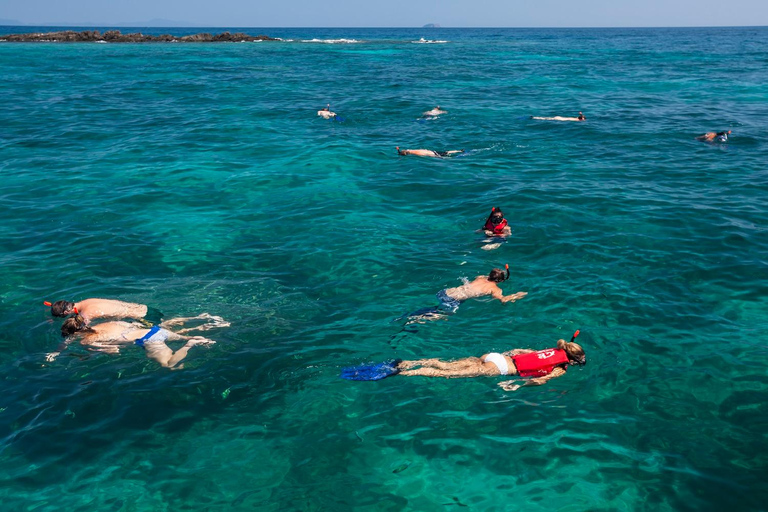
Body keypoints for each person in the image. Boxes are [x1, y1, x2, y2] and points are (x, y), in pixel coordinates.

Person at [341, 332, 586, 390]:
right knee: (444, 374)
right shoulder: (560, 367)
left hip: (496, 357)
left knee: (445, 364)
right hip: (501, 369)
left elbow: (520, 350)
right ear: (573, 359)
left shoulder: (549, 350)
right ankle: (398, 373)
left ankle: (403, 363)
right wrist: (518, 385)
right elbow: (542, 380)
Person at [48, 313, 229, 368]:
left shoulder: (86, 341)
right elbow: (132, 325)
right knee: (183, 334)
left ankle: (191, 344)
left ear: (75, 333)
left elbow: (114, 351)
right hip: (156, 330)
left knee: (170, 365)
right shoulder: (106, 324)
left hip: (150, 341)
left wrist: (86, 356)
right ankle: (206, 325)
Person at [405, 265, 527, 322]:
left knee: (436, 308)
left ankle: (415, 314)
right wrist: (517, 295)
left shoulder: (480, 277)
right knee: (445, 316)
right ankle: (416, 320)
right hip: (453, 300)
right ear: (500, 281)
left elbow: (485, 279)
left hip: (445, 292)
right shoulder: (495, 289)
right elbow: (503, 300)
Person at [44, 298, 155, 325]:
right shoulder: (87, 301)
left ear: (66, 313)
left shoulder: (85, 314)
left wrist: (57, 352)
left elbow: (74, 333)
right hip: (146, 309)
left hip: (145, 319)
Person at [396, 146, 465, 158]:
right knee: (447, 152)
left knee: (447, 157)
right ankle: (459, 151)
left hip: (434, 155)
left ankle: (460, 153)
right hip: (433, 152)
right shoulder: (411, 150)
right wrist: (398, 150)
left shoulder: (414, 153)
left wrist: (399, 151)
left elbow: (402, 153)